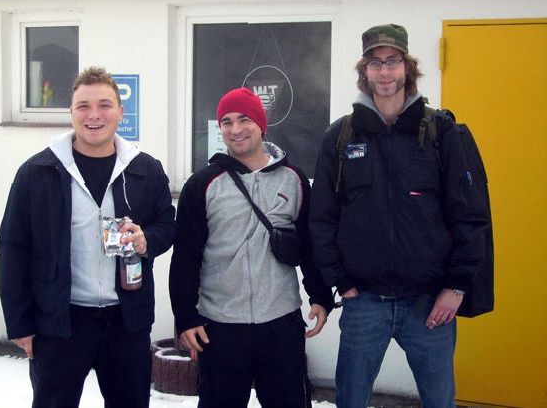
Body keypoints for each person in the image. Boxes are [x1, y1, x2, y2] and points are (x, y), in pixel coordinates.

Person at [309, 24, 489, 408]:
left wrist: (456, 287)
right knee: (351, 401)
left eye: (393, 61)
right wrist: (343, 283)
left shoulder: (441, 132)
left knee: (439, 401)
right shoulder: (341, 137)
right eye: (375, 63)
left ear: (408, 67)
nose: (385, 71)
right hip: (364, 302)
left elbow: (470, 216)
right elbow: (321, 218)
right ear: (365, 70)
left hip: (430, 304)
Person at [0, 66, 177, 408]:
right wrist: (19, 322)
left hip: (127, 320)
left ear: (120, 112)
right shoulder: (37, 172)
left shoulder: (145, 169)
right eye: (83, 106)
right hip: (60, 322)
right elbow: (13, 247)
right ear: (71, 112)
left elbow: (167, 225)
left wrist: (147, 240)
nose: (94, 115)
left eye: (104, 105)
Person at [169, 87, 334, 408]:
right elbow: (186, 257)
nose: (236, 129)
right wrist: (186, 316)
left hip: (281, 323)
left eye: (244, 119)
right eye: (226, 122)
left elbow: (309, 245)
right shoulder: (201, 185)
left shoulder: (294, 180)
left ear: (261, 124)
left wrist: (320, 295)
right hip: (220, 327)